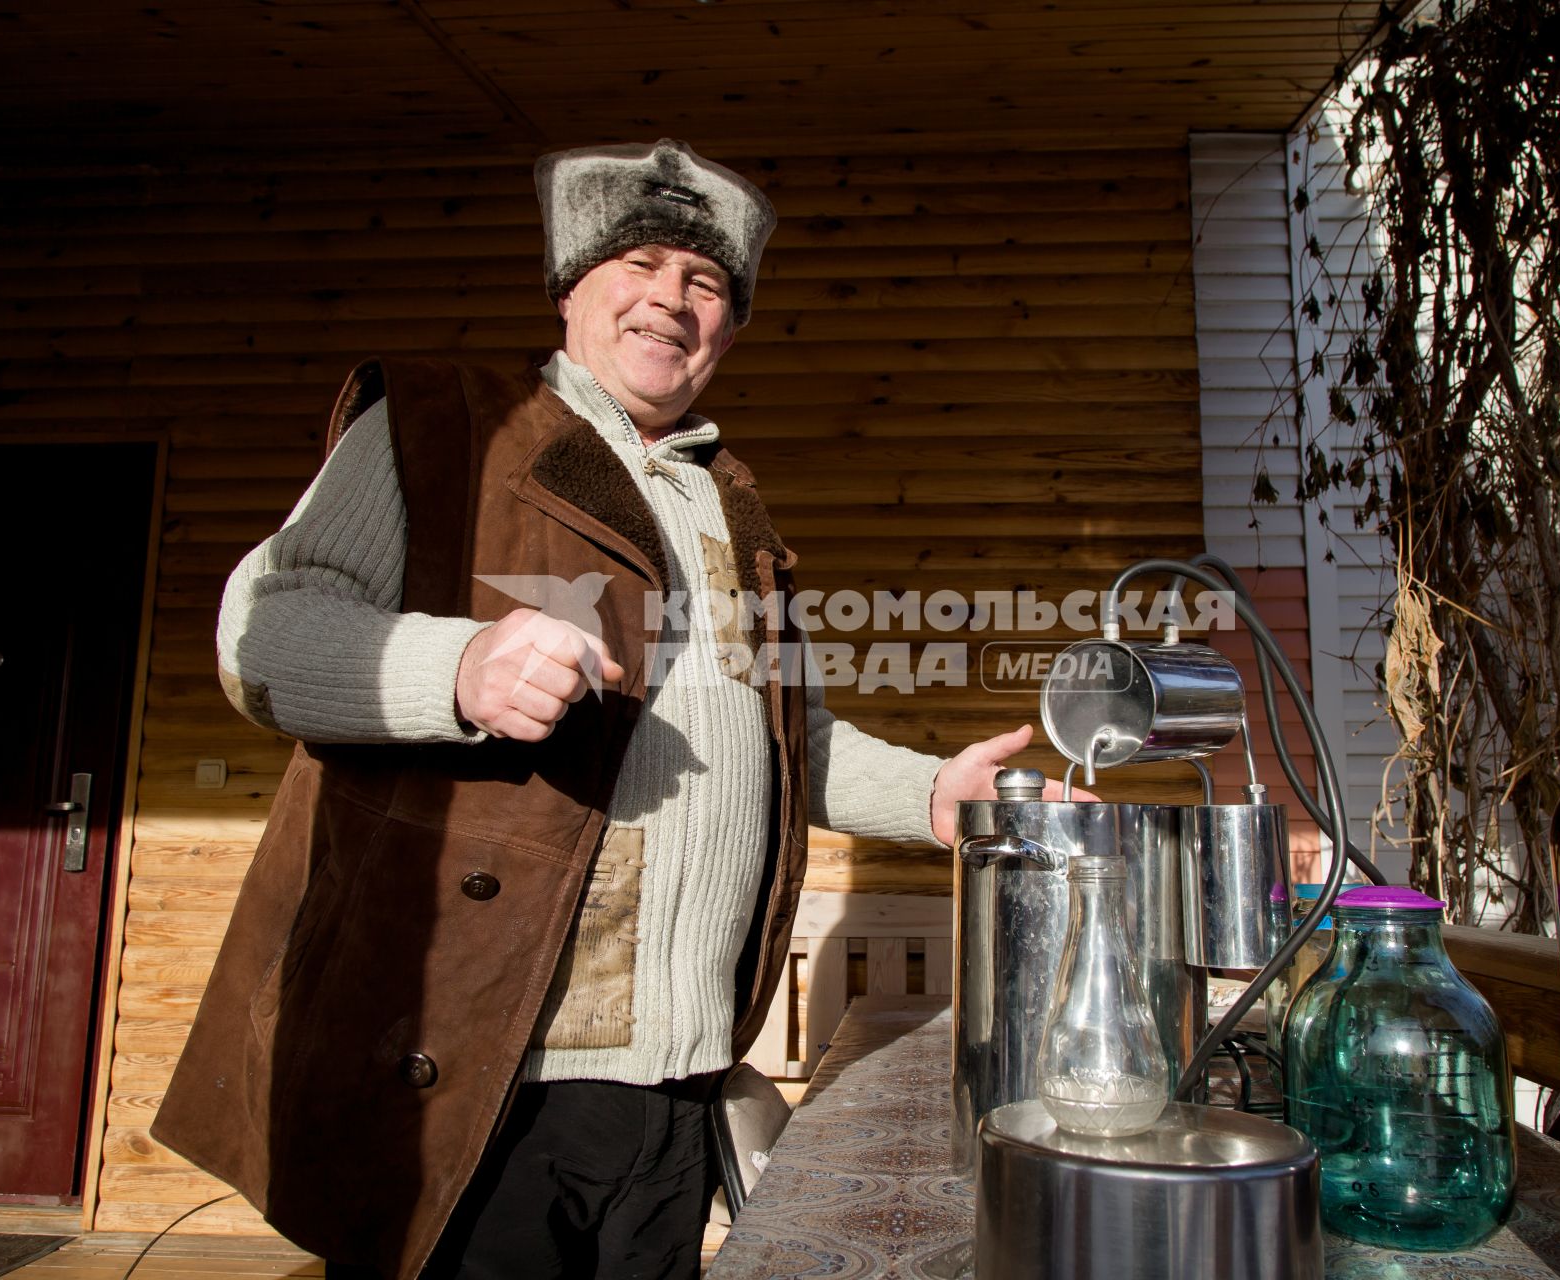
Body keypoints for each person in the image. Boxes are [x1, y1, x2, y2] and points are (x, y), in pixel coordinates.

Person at [151, 139, 1062, 1280]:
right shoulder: (442, 428)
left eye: (707, 281)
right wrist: (461, 665)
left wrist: (931, 792)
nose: (671, 298)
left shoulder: (736, 508)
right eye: (640, 261)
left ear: (728, 326)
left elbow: (790, 740)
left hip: (679, 1082)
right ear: (574, 285)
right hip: (491, 1075)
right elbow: (262, 635)